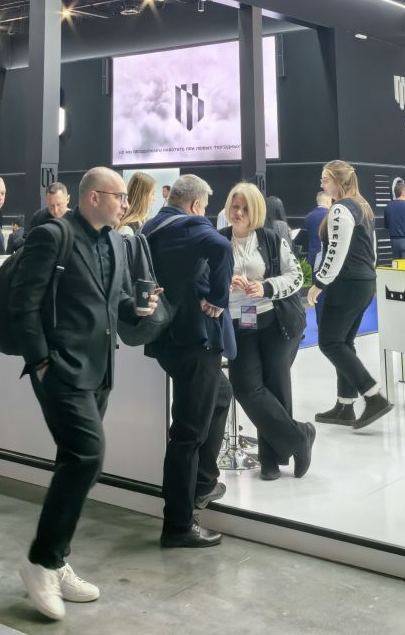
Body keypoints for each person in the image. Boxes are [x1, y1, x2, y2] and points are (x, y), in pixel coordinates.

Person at [12, 167, 158, 621]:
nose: (125, 205)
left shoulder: (115, 241)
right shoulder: (53, 236)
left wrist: (137, 309)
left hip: (100, 371)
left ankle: (57, 560)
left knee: (74, 461)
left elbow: (111, 302)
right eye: (119, 197)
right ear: (94, 197)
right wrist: (41, 364)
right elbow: (24, 304)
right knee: (87, 456)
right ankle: (41, 561)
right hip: (61, 370)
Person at [144, 174, 234, 549]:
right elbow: (222, 248)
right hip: (194, 341)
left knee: (221, 395)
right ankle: (179, 524)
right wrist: (218, 299)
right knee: (187, 434)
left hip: (167, 339)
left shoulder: (152, 226)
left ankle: (204, 482)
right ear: (196, 205)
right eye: (205, 207)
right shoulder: (191, 226)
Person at [222, 182, 312, 481]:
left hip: (274, 319)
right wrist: (225, 283)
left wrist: (266, 287)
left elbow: (295, 276)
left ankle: (270, 459)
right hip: (242, 320)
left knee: (276, 386)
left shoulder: (270, 239)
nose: (238, 213)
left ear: (256, 211)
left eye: (245, 208)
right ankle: (300, 437)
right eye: (235, 206)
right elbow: (205, 278)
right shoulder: (219, 239)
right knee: (245, 386)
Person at [308, 160, 392, 430]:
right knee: (344, 341)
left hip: (347, 284)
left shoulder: (341, 208)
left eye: (325, 179)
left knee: (330, 343)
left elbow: (336, 251)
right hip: (364, 281)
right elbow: (372, 249)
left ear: (339, 181)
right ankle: (345, 405)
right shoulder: (362, 205)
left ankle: (373, 396)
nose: (322, 184)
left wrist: (319, 283)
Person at [116, 171, 156, 236]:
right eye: (153, 193)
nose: (154, 199)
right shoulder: (127, 229)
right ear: (143, 195)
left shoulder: (141, 222)